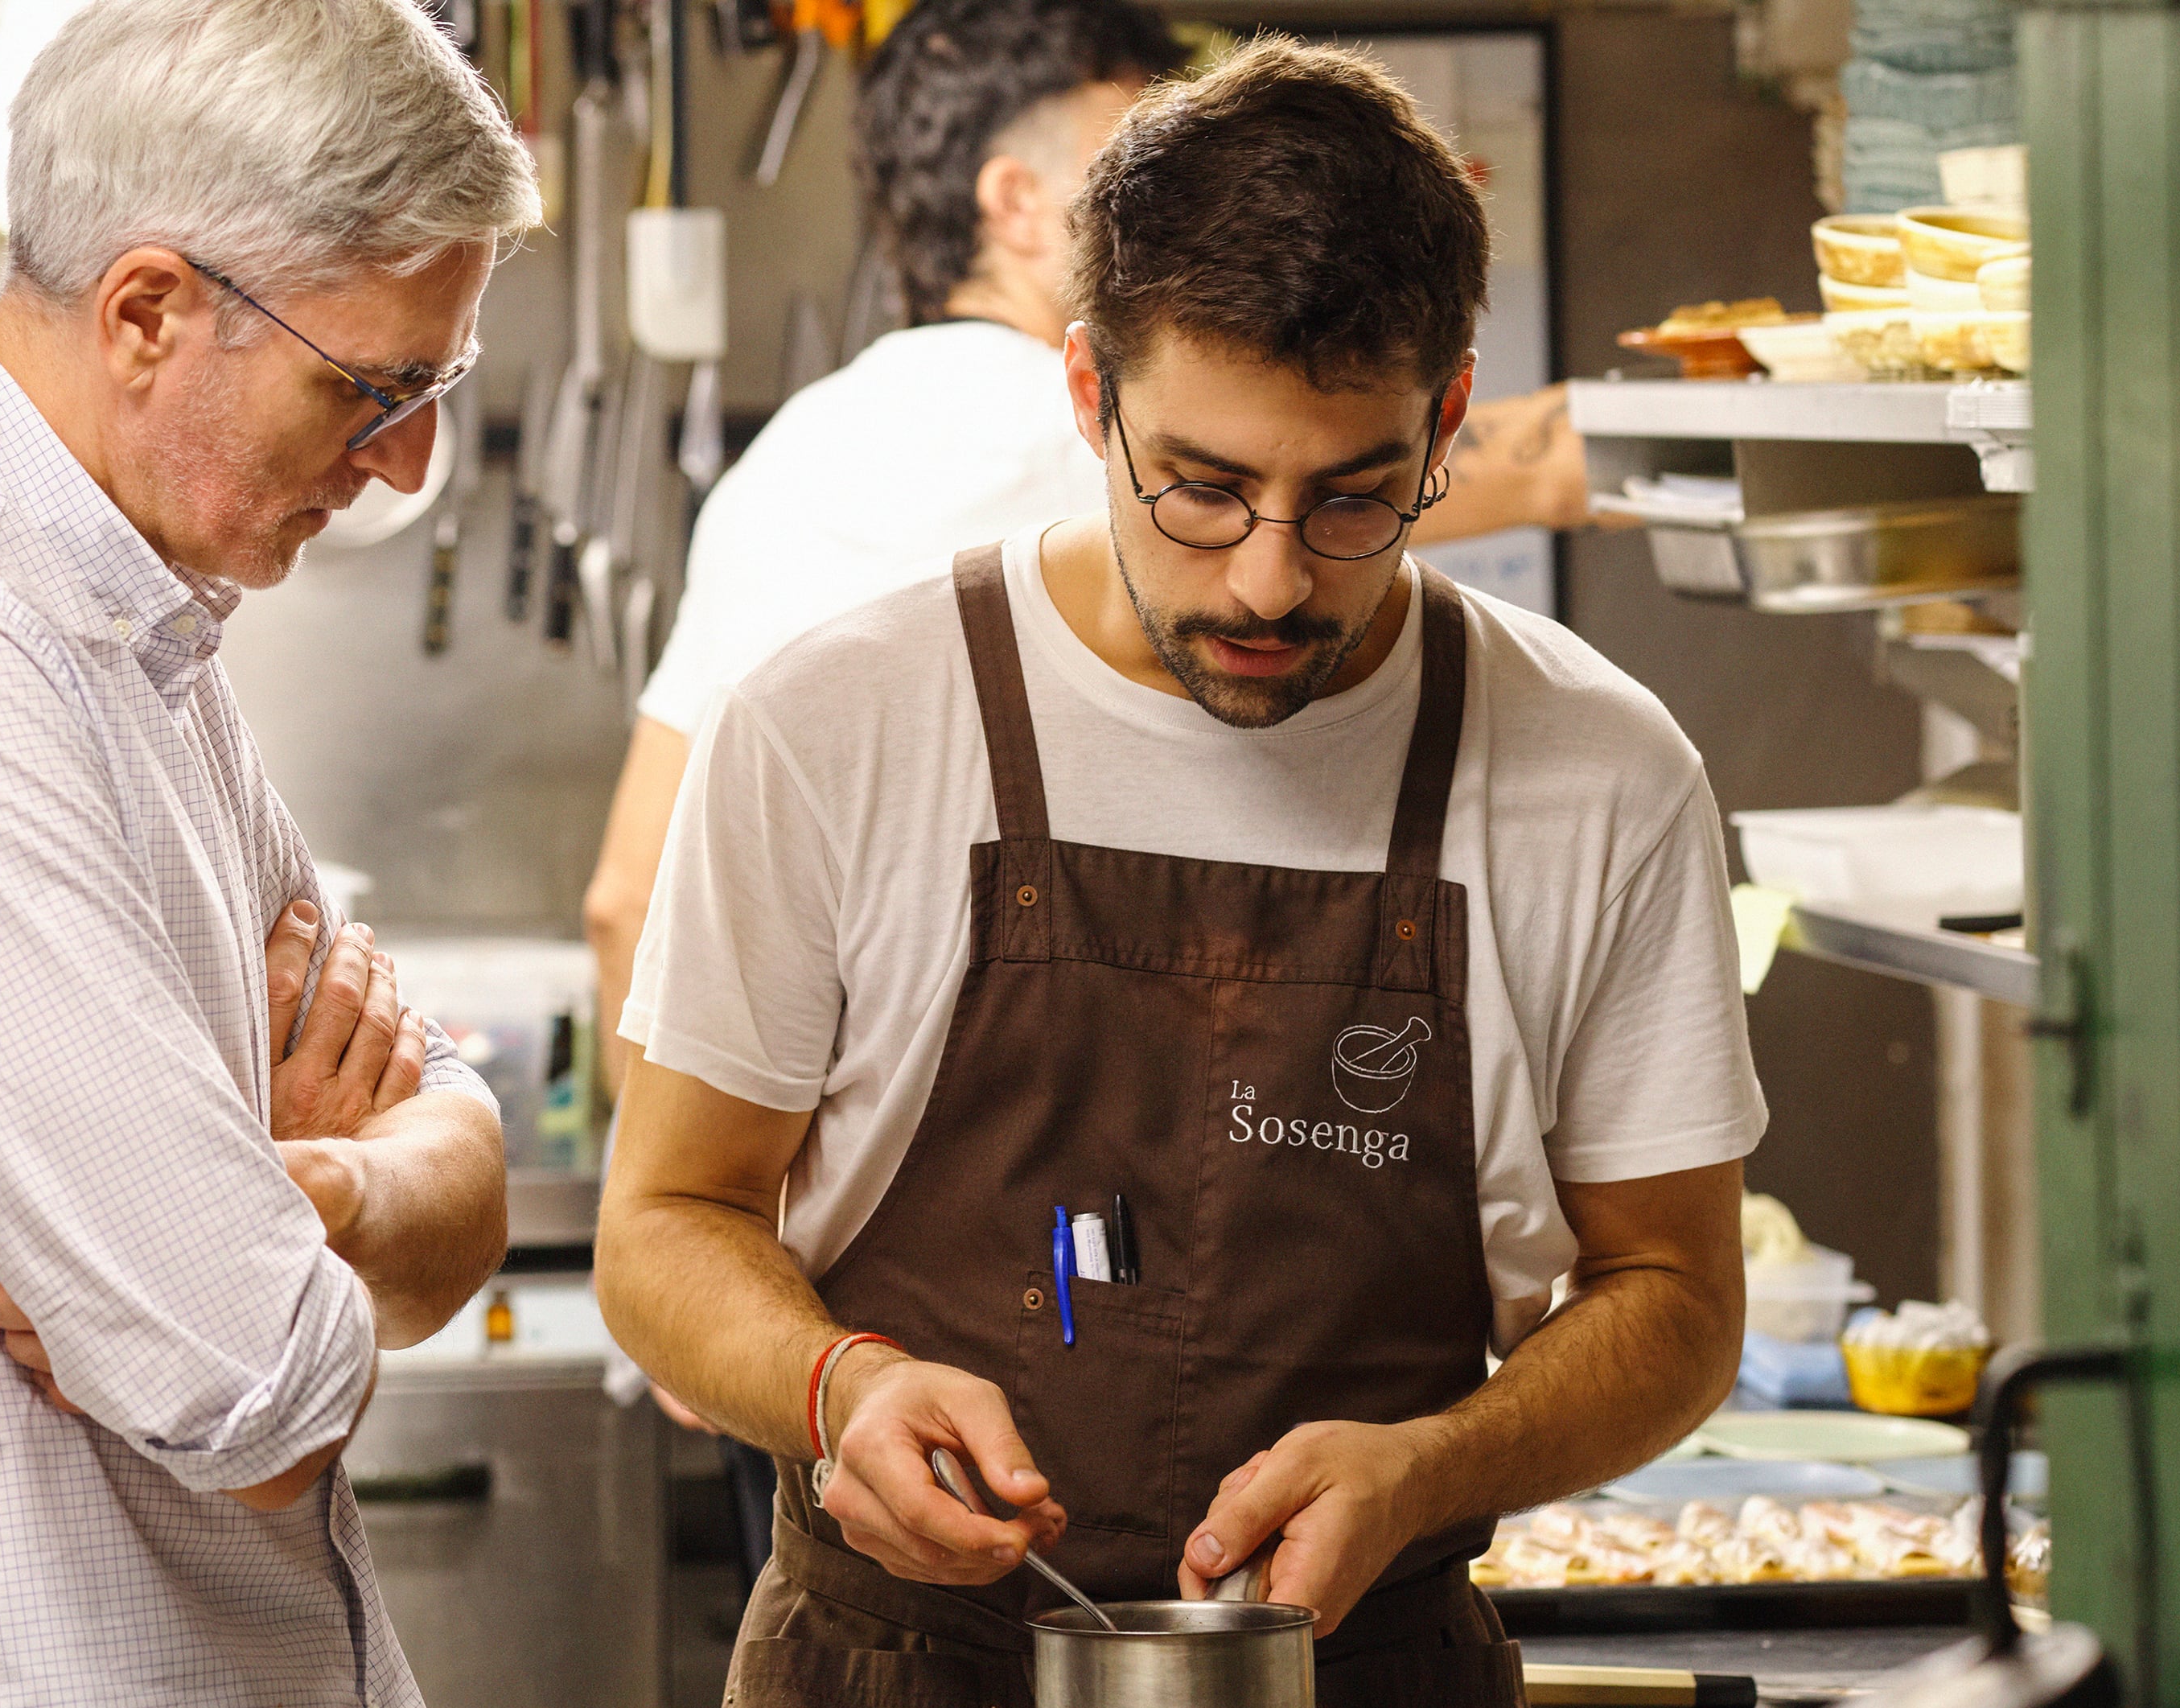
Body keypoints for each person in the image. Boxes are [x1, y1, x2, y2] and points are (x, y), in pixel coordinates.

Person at [594, 36, 1758, 1708]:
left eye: (1354, 493)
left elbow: (1672, 1297)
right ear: (1084, 391)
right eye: (1198, 486)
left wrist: (1432, 1468)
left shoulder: (1597, 773)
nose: (1270, 578)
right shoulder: (836, 724)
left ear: (1449, 417)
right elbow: (666, 1222)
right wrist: (835, 1384)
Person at [0, 2, 535, 1708]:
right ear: (147, 311)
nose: (397, 464)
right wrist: (318, 1247)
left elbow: (445, 1155)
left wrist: (314, 1185)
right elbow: (253, 1391)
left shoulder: (143, 622)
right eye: (367, 389)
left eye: (431, 396)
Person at [582, 0, 1596, 1093]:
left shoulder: (798, 448)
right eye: (1142, 155)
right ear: (1020, 205)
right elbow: (1466, 461)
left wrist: (693, 1217)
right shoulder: (1066, 439)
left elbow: (627, 900)